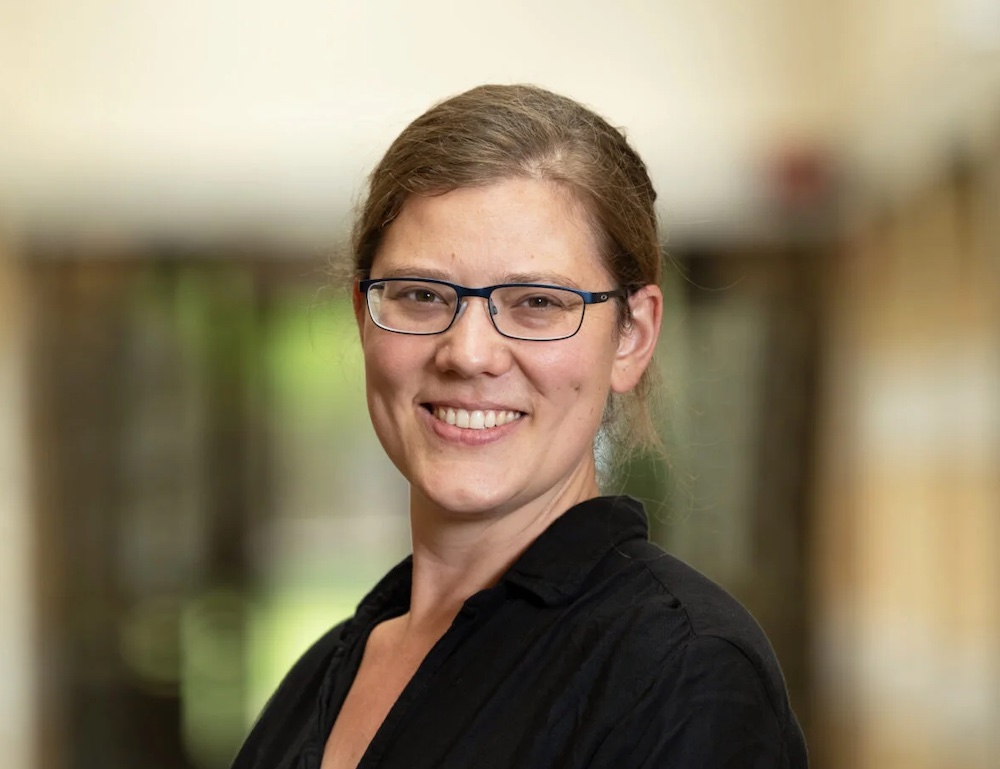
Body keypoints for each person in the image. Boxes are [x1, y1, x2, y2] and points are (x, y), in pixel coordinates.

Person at [232, 83, 808, 769]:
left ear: (633, 334)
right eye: (420, 295)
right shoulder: (319, 679)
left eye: (537, 301)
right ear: (364, 317)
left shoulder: (680, 669)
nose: (469, 354)